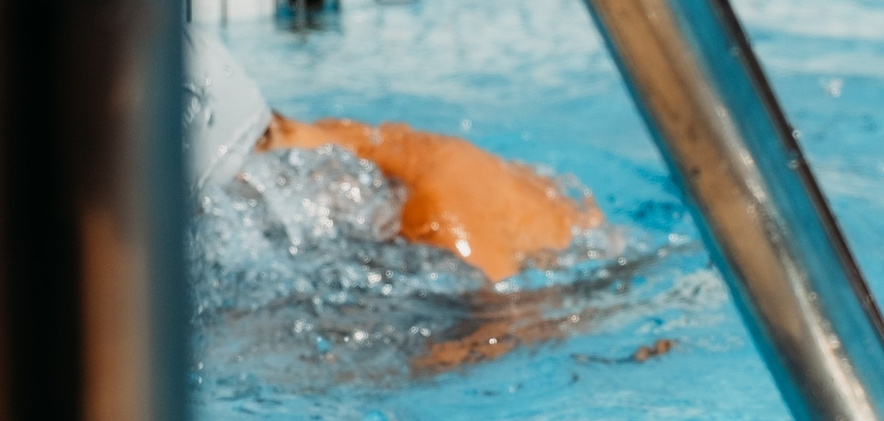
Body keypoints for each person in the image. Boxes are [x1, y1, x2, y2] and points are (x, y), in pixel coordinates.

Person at [185, 24, 597, 282]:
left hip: (591, 286)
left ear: (248, 176)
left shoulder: (438, 214)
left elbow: (510, 344)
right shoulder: (327, 147)